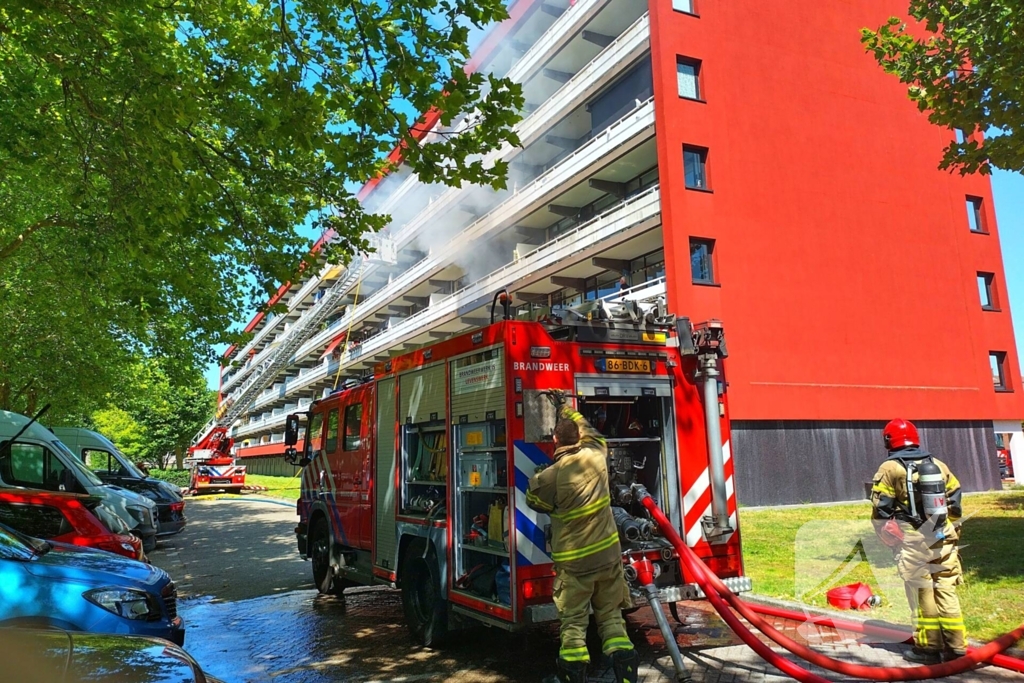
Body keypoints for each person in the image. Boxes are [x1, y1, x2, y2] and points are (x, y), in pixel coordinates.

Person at [526, 390, 638, 683]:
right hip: (609, 558)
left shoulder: (550, 477)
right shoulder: (597, 455)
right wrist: (567, 407)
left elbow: (535, 502)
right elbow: (590, 431)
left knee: (573, 624)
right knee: (611, 618)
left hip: (575, 564)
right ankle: (626, 671)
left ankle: (574, 675)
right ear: (578, 439)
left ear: (555, 441)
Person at [870, 418, 966, 664]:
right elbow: (955, 499)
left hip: (913, 542)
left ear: (888, 440)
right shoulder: (937, 464)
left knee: (922, 593)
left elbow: (881, 511)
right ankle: (956, 647)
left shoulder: (890, 469)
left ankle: (928, 650)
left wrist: (888, 539)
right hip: (944, 537)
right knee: (946, 589)